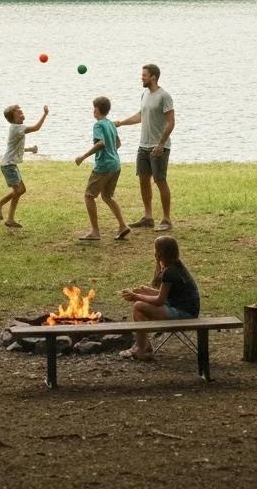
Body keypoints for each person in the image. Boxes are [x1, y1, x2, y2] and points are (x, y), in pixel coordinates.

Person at [115, 63, 175, 231]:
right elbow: (141, 116)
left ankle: (167, 220)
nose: (141, 78)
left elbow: (171, 123)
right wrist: (121, 123)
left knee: (160, 181)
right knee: (143, 180)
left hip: (159, 147)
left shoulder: (164, 96)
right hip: (143, 146)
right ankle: (148, 217)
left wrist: (161, 144)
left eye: (144, 75)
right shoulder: (145, 94)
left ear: (153, 77)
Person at [119, 235, 200, 360]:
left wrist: (136, 296)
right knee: (141, 294)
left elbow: (159, 300)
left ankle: (142, 349)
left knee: (138, 306)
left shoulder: (171, 272)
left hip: (185, 313)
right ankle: (144, 346)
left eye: (156, 250)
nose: (154, 253)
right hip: (176, 304)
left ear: (161, 252)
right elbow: (159, 289)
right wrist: (144, 291)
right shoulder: (174, 265)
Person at [74, 95, 131, 242]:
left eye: (94, 108)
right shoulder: (111, 124)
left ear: (97, 110)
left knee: (89, 195)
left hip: (104, 166)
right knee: (107, 196)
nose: (93, 110)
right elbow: (118, 143)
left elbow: (100, 143)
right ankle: (123, 225)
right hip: (116, 164)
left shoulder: (98, 125)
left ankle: (95, 231)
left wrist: (83, 157)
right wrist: (111, 153)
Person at [0, 103, 48, 228]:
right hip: (8, 166)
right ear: (13, 117)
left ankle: (10, 219)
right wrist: (45, 114)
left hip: (11, 165)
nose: (22, 112)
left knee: (19, 191)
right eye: (18, 112)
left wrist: (29, 149)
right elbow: (36, 128)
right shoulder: (17, 128)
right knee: (19, 190)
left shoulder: (17, 128)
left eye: (22, 111)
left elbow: (15, 147)